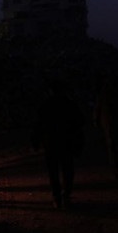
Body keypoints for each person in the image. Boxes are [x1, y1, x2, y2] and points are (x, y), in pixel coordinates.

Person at [33, 74, 85, 210]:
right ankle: (66, 195)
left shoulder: (45, 105)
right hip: (66, 143)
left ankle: (57, 197)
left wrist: (36, 142)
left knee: (53, 171)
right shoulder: (69, 104)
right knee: (68, 170)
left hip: (51, 144)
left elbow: (38, 125)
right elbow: (79, 123)